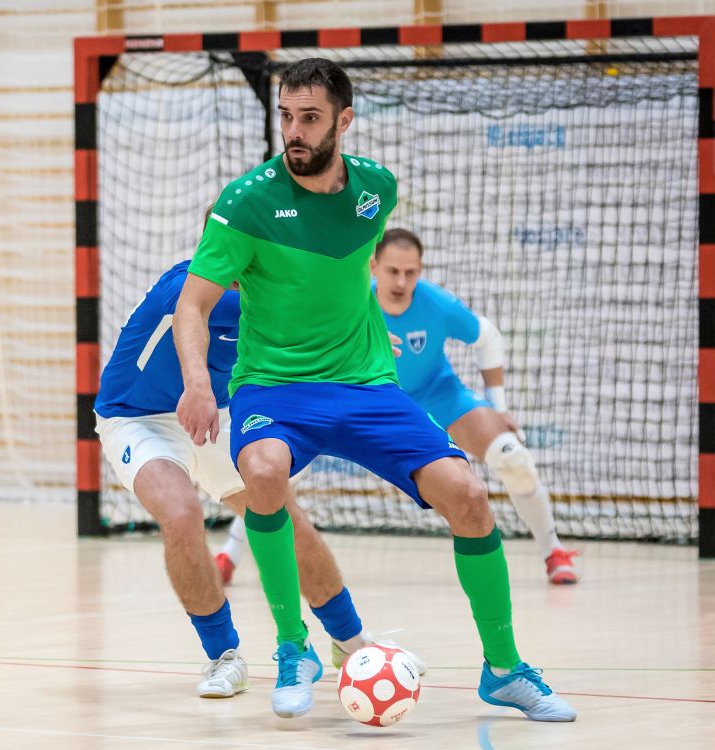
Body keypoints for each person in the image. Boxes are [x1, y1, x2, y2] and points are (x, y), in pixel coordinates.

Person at [173, 57, 575, 722]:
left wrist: (362, 322)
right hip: (275, 385)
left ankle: (504, 670)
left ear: (344, 121)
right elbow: (192, 305)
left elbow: (347, 266)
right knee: (263, 473)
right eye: (286, 116)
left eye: (310, 118)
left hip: (366, 385)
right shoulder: (245, 202)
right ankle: (294, 648)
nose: (294, 131)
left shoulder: (377, 189)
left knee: (470, 496)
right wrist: (195, 383)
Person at [94, 258, 424, 700]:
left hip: (217, 410)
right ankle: (224, 655)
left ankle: (351, 642)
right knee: (181, 514)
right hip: (139, 417)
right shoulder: (189, 290)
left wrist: (359, 336)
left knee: (287, 520)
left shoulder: (268, 285)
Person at [371, 228, 579, 584]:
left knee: (513, 457)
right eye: (393, 271)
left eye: (411, 272)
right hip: (377, 405)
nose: (402, 282)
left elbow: (488, 336)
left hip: (439, 397)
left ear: (421, 270)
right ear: (374, 266)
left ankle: (554, 551)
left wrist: (498, 406)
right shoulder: (354, 304)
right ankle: (262, 554)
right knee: (289, 460)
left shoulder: (437, 304)